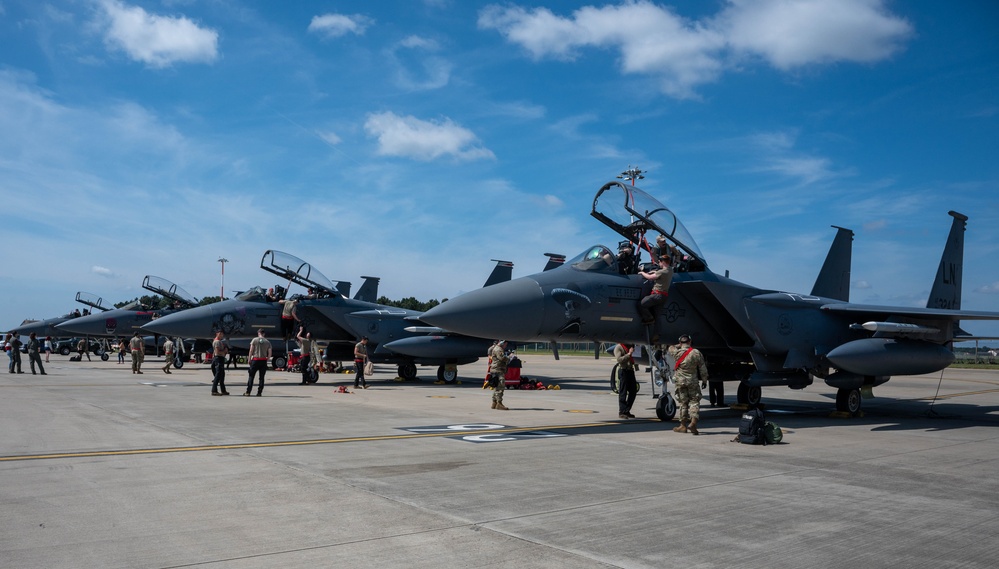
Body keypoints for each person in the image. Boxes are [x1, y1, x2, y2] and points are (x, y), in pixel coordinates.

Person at [667, 334, 709, 435]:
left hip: (680, 382)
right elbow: (702, 368)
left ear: (681, 343)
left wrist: (680, 345)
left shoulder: (676, 352)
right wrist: (704, 380)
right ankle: (693, 423)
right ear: (690, 342)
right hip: (692, 381)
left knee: (683, 403)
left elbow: (670, 347)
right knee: (694, 402)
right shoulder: (696, 353)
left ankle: (682, 426)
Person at [638, 248, 676, 343]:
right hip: (664, 297)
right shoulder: (670, 270)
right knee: (658, 316)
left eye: (659, 261)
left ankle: (648, 318)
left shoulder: (662, 272)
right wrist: (655, 272)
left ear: (663, 262)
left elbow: (650, 278)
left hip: (657, 295)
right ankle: (656, 335)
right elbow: (660, 273)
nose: (658, 263)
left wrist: (642, 273)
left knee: (642, 304)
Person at [613, 343, 638, 419]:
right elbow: (619, 360)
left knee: (633, 391)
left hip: (630, 370)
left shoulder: (630, 347)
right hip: (623, 371)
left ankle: (626, 410)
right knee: (623, 392)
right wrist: (629, 354)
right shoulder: (619, 347)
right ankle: (622, 411)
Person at [245, 329, 272, 396]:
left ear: (258, 333)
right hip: (263, 360)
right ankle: (259, 392)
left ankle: (248, 392)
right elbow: (270, 353)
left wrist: (249, 358)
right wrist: (267, 359)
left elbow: (251, 350)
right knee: (261, 377)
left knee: (251, 376)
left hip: (255, 359)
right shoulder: (267, 342)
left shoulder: (254, 340)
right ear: (264, 334)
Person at [488, 340, 509, 410]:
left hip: (496, 369)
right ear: (503, 343)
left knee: (496, 386)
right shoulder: (498, 349)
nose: (506, 346)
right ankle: (499, 403)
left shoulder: (496, 348)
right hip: (498, 370)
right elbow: (502, 358)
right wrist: (509, 358)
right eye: (505, 344)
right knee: (500, 386)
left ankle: (494, 403)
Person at [211, 331, 229, 396]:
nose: (221, 335)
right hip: (218, 359)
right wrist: (224, 351)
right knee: (218, 375)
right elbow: (217, 352)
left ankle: (223, 390)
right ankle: (214, 390)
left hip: (219, 358)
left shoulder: (218, 341)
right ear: (217, 334)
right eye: (220, 334)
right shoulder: (217, 342)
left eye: (222, 334)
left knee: (222, 375)